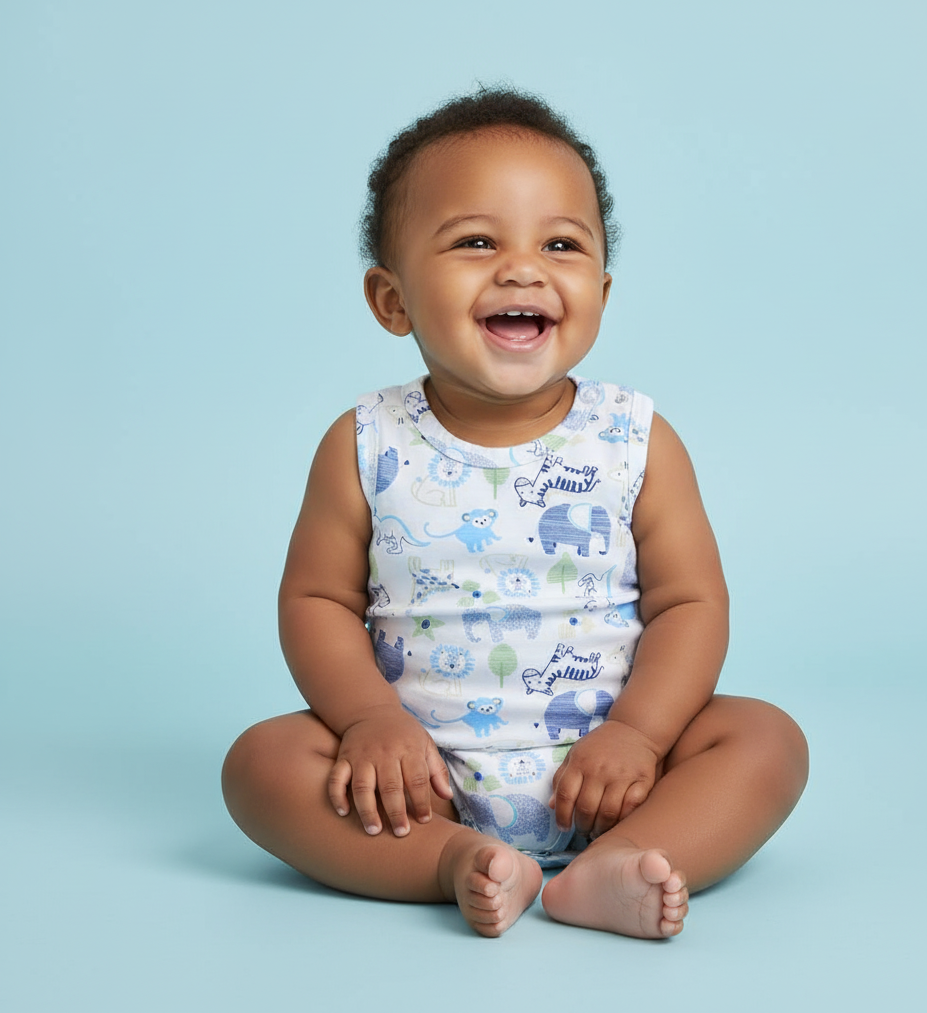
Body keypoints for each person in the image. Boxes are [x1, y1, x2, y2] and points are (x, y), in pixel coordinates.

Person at [222, 87, 809, 939]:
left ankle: (619, 864)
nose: (523, 269)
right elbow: (317, 600)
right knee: (262, 763)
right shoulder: (366, 440)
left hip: (615, 776)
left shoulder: (634, 438)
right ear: (391, 300)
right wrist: (369, 722)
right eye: (476, 242)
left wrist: (641, 735)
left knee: (765, 738)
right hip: (417, 782)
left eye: (560, 244)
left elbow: (689, 602)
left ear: (601, 289)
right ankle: (449, 860)